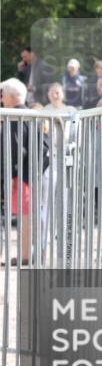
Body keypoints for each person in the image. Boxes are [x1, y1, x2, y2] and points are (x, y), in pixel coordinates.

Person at [1, 78, 49, 265]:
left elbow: (15, 149)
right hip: (33, 173)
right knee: (29, 215)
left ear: (11, 96)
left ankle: (26, 255)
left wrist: (10, 175)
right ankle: (28, 254)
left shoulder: (14, 117)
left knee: (25, 216)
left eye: (2, 95)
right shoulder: (32, 114)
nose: (1, 100)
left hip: (23, 176)